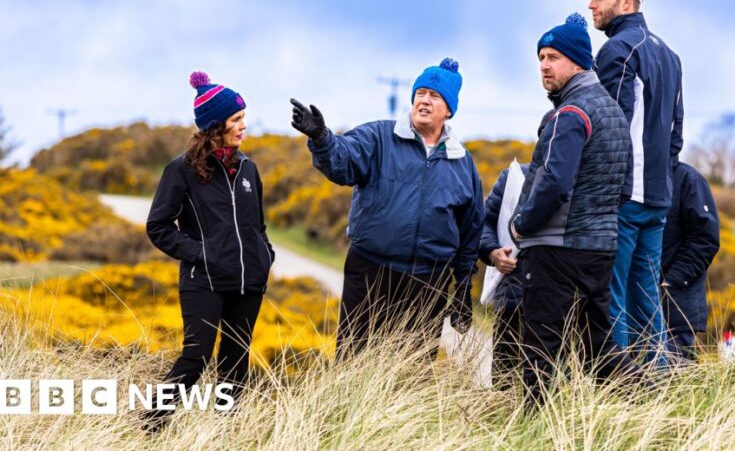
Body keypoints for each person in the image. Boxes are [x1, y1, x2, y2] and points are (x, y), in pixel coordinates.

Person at [290, 58, 483, 359]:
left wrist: (462, 287)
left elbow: (470, 229)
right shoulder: (379, 137)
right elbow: (344, 161)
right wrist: (322, 139)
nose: (424, 101)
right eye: (420, 93)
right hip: (371, 272)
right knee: (353, 360)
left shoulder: (462, 162)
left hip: (427, 282)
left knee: (412, 370)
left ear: (449, 110)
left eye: (435, 96)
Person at [510, 13, 641, 406]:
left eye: (553, 57)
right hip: (599, 249)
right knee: (596, 345)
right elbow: (626, 186)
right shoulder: (614, 113)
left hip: (555, 249)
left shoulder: (570, 114)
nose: (544, 66)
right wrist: (598, 224)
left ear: (578, 61)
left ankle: (533, 427)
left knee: (540, 346)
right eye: (541, 58)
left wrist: (521, 225)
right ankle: (643, 405)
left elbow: (553, 183)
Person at [143, 71, 274, 430]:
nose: (244, 126)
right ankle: (151, 423)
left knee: (235, 363)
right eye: (236, 119)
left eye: (243, 117)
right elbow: (157, 227)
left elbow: (257, 226)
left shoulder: (249, 169)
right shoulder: (181, 171)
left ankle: (225, 431)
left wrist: (264, 255)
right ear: (216, 125)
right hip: (204, 281)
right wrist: (202, 254)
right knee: (196, 358)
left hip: (248, 283)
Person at [576, 0, 685, 361]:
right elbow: (676, 138)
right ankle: (655, 379)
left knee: (614, 295)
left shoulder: (618, 50)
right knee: (646, 296)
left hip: (622, 196)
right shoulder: (670, 55)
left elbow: (608, 128)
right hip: (656, 197)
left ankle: (620, 387)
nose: (592, 5)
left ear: (627, 1)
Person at [660, 161, 720, 361]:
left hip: (678, 305)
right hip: (640, 305)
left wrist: (672, 280)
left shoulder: (688, 179)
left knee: (673, 377)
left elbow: (705, 240)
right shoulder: (635, 178)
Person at [479, 164, 529, 389]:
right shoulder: (514, 177)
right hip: (512, 299)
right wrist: (492, 251)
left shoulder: (584, 180)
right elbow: (483, 222)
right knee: (504, 384)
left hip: (561, 305)